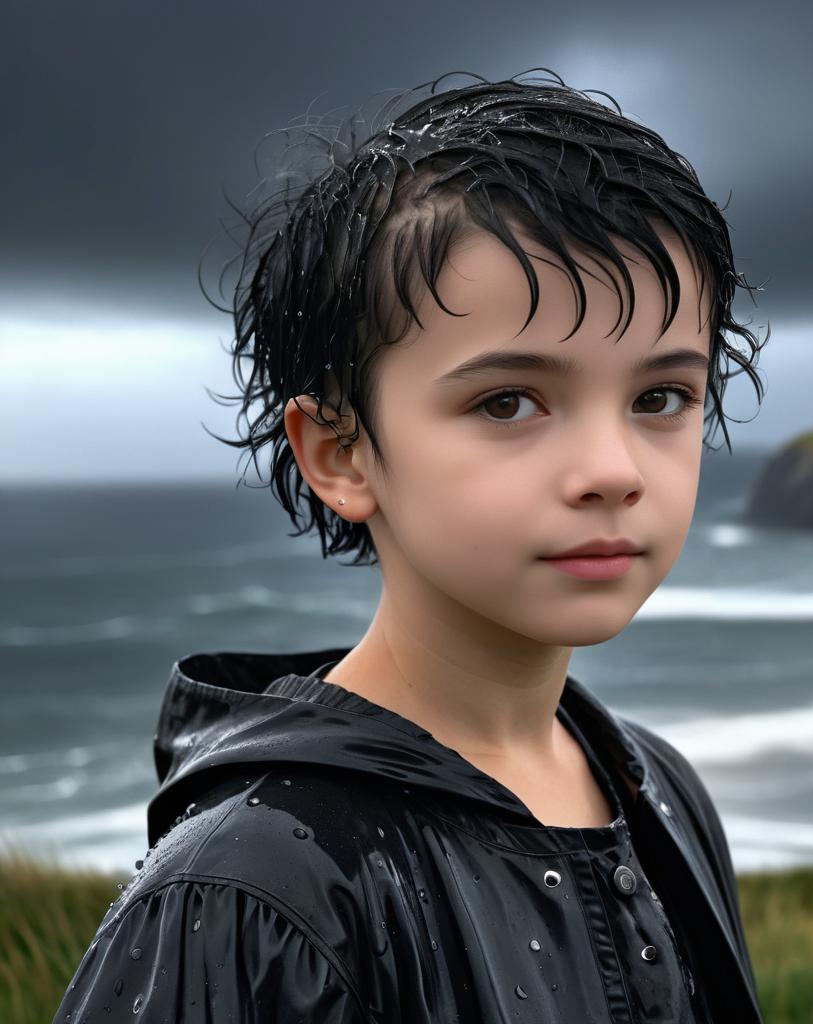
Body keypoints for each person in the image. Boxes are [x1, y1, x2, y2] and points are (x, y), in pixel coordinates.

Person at [54, 68, 768, 1023]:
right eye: (507, 401)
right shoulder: (248, 890)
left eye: (659, 398)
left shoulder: (660, 790)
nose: (612, 468)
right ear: (342, 453)